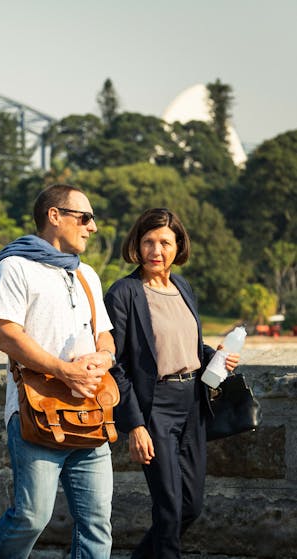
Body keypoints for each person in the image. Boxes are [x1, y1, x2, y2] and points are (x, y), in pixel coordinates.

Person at [0, 183, 116, 559]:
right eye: (85, 217)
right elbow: (6, 334)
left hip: (89, 409)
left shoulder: (86, 274)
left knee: (97, 521)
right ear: (55, 216)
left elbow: (105, 337)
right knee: (31, 517)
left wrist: (101, 360)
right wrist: (63, 370)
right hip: (36, 413)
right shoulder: (14, 267)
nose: (92, 227)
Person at [103, 208, 239, 559]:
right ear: (137, 244)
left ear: (178, 246)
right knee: (169, 510)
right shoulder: (124, 294)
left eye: (164, 242)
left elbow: (188, 346)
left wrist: (216, 356)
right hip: (155, 409)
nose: (155, 250)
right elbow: (115, 366)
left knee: (191, 507)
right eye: (148, 241)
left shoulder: (182, 287)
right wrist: (135, 425)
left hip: (193, 404)